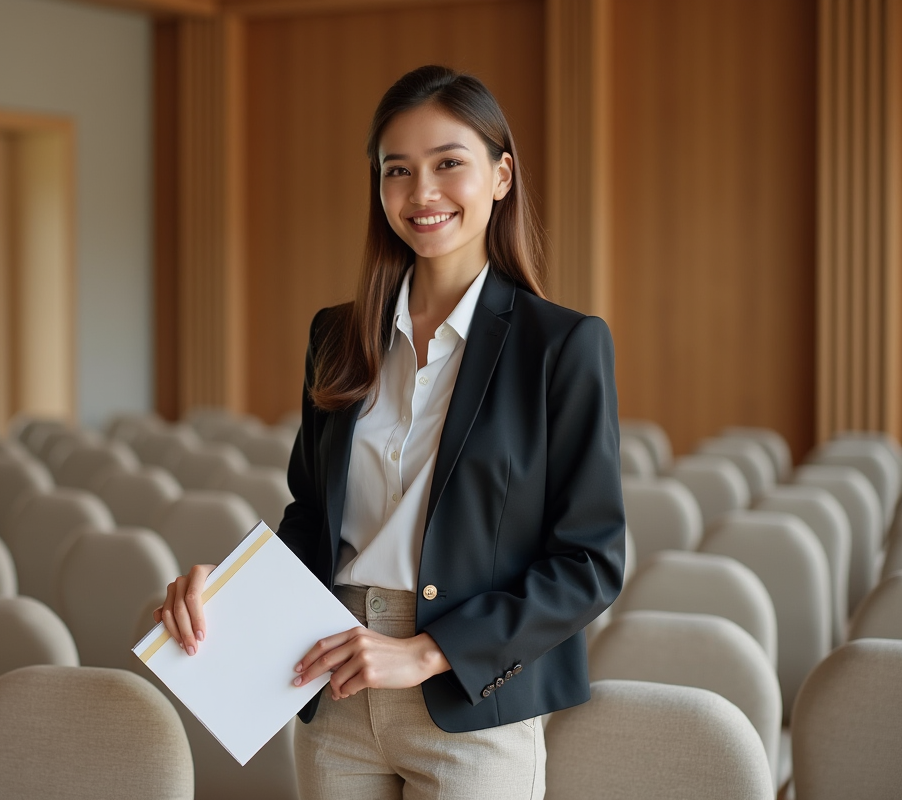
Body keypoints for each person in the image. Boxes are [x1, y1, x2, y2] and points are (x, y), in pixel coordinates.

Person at [156, 64, 626, 800]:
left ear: (501, 176)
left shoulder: (561, 345)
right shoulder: (337, 335)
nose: (422, 193)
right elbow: (314, 519)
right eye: (397, 170)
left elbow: (590, 562)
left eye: (449, 164)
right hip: (331, 677)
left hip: (471, 702)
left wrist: (430, 651)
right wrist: (227, 590)